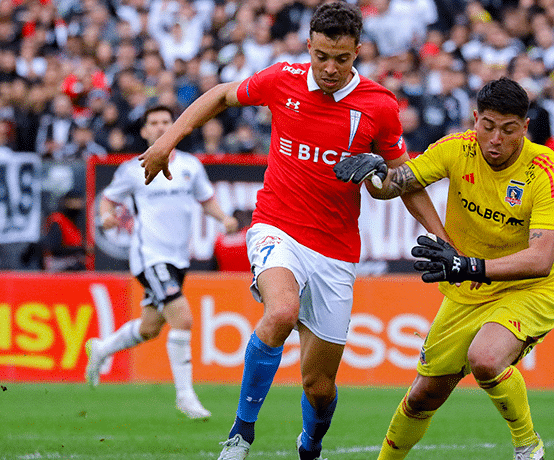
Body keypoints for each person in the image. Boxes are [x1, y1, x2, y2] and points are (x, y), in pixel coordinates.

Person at [137, 3, 448, 460]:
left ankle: (311, 443)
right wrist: (167, 142)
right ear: (309, 47)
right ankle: (241, 434)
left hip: (337, 252)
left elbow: (402, 181)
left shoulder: (379, 106)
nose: (330, 68)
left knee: (318, 387)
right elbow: (223, 94)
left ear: (357, 52)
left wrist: (439, 235)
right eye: (322, 56)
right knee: (281, 311)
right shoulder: (282, 79)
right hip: (276, 227)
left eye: (341, 59)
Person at [334, 77, 554, 460]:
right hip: (468, 290)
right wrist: (376, 173)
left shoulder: (546, 172)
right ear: (475, 118)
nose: (495, 139)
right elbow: (398, 183)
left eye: (508, 130)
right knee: (422, 395)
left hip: (527, 289)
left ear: (524, 128)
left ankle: (528, 446)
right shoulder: (456, 149)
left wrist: (468, 265)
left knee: (486, 359)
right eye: (487, 126)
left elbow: (540, 259)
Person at [84, 105, 238, 420]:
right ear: (144, 132)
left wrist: (223, 218)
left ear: (176, 126)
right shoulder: (133, 169)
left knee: (150, 327)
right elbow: (108, 198)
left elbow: (206, 199)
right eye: (153, 123)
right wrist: (105, 217)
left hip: (177, 258)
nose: (159, 127)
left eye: (166, 122)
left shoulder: (191, 166)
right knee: (182, 318)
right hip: (150, 257)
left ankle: (101, 349)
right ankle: (185, 396)